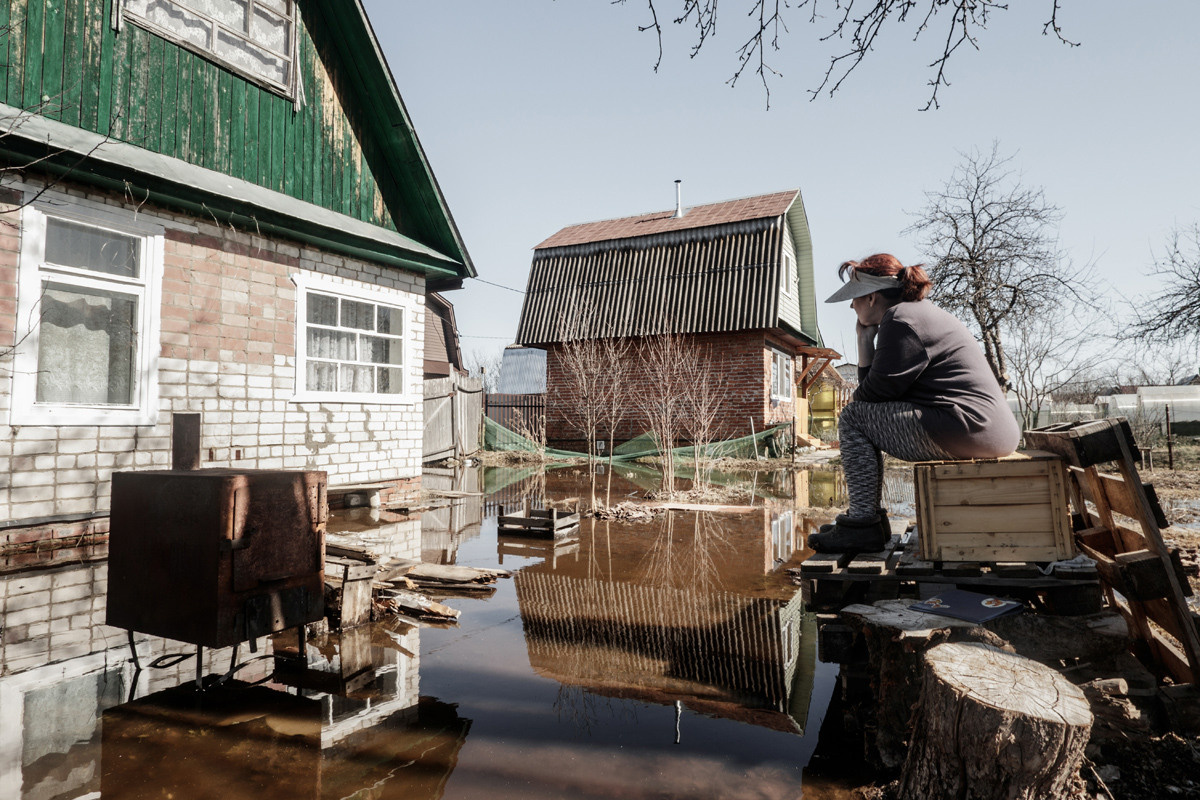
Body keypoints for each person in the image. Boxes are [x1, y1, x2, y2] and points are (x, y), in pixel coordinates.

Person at [808, 253, 1020, 553]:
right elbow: (880, 394)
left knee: (853, 417)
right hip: (985, 430)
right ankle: (867, 523)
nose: (850, 306)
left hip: (968, 428)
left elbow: (869, 396)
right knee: (860, 414)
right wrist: (866, 339)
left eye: (854, 298)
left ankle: (862, 524)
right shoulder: (915, 314)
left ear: (871, 298)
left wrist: (864, 344)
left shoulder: (901, 320)